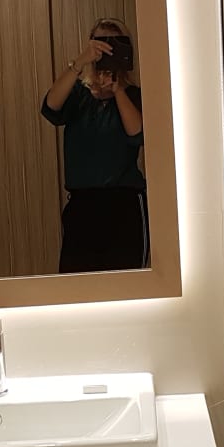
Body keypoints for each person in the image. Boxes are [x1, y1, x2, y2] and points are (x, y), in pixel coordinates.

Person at [41, 18, 148, 273]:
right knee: (76, 285)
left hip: (123, 204)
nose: (106, 51)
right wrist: (79, 63)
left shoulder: (133, 95)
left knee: (127, 285)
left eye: (114, 45)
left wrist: (118, 89)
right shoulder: (78, 94)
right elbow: (50, 107)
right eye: (100, 44)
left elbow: (137, 133)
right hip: (83, 206)